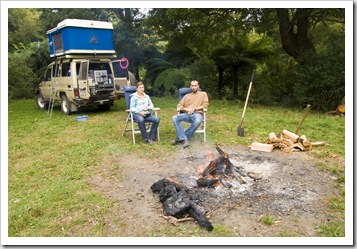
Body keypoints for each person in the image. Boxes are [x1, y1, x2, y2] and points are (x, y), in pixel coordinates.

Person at [172, 80, 209, 148]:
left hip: (197, 114)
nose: (194, 87)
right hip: (187, 114)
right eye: (192, 86)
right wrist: (186, 109)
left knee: (198, 120)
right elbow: (179, 106)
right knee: (175, 118)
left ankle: (182, 138)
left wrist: (194, 109)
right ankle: (184, 139)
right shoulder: (186, 96)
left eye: (195, 86)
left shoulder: (203, 94)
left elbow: (204, 105)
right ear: (190, 87)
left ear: (198, 86)